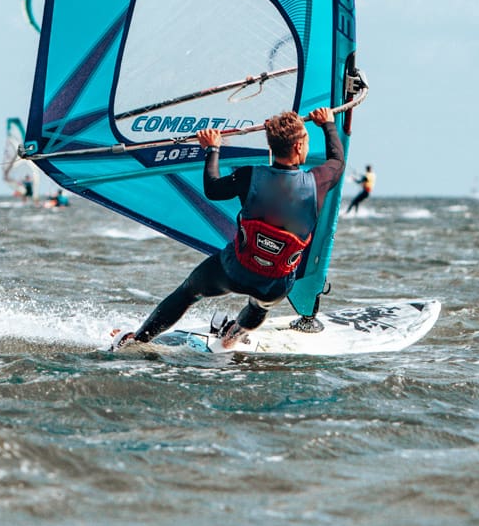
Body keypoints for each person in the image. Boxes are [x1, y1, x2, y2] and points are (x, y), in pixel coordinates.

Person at [116, 107, 345, 349]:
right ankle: (233, 335)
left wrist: (212, 149)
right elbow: (337, 160)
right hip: (276, 284)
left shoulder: (249, 176)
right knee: (260, 306)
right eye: (306, 141)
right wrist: (328, 124)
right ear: (298, 147)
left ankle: (138, 340)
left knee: (187, 292)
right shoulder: (317, 182)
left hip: (234, 270)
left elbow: (213, 189)